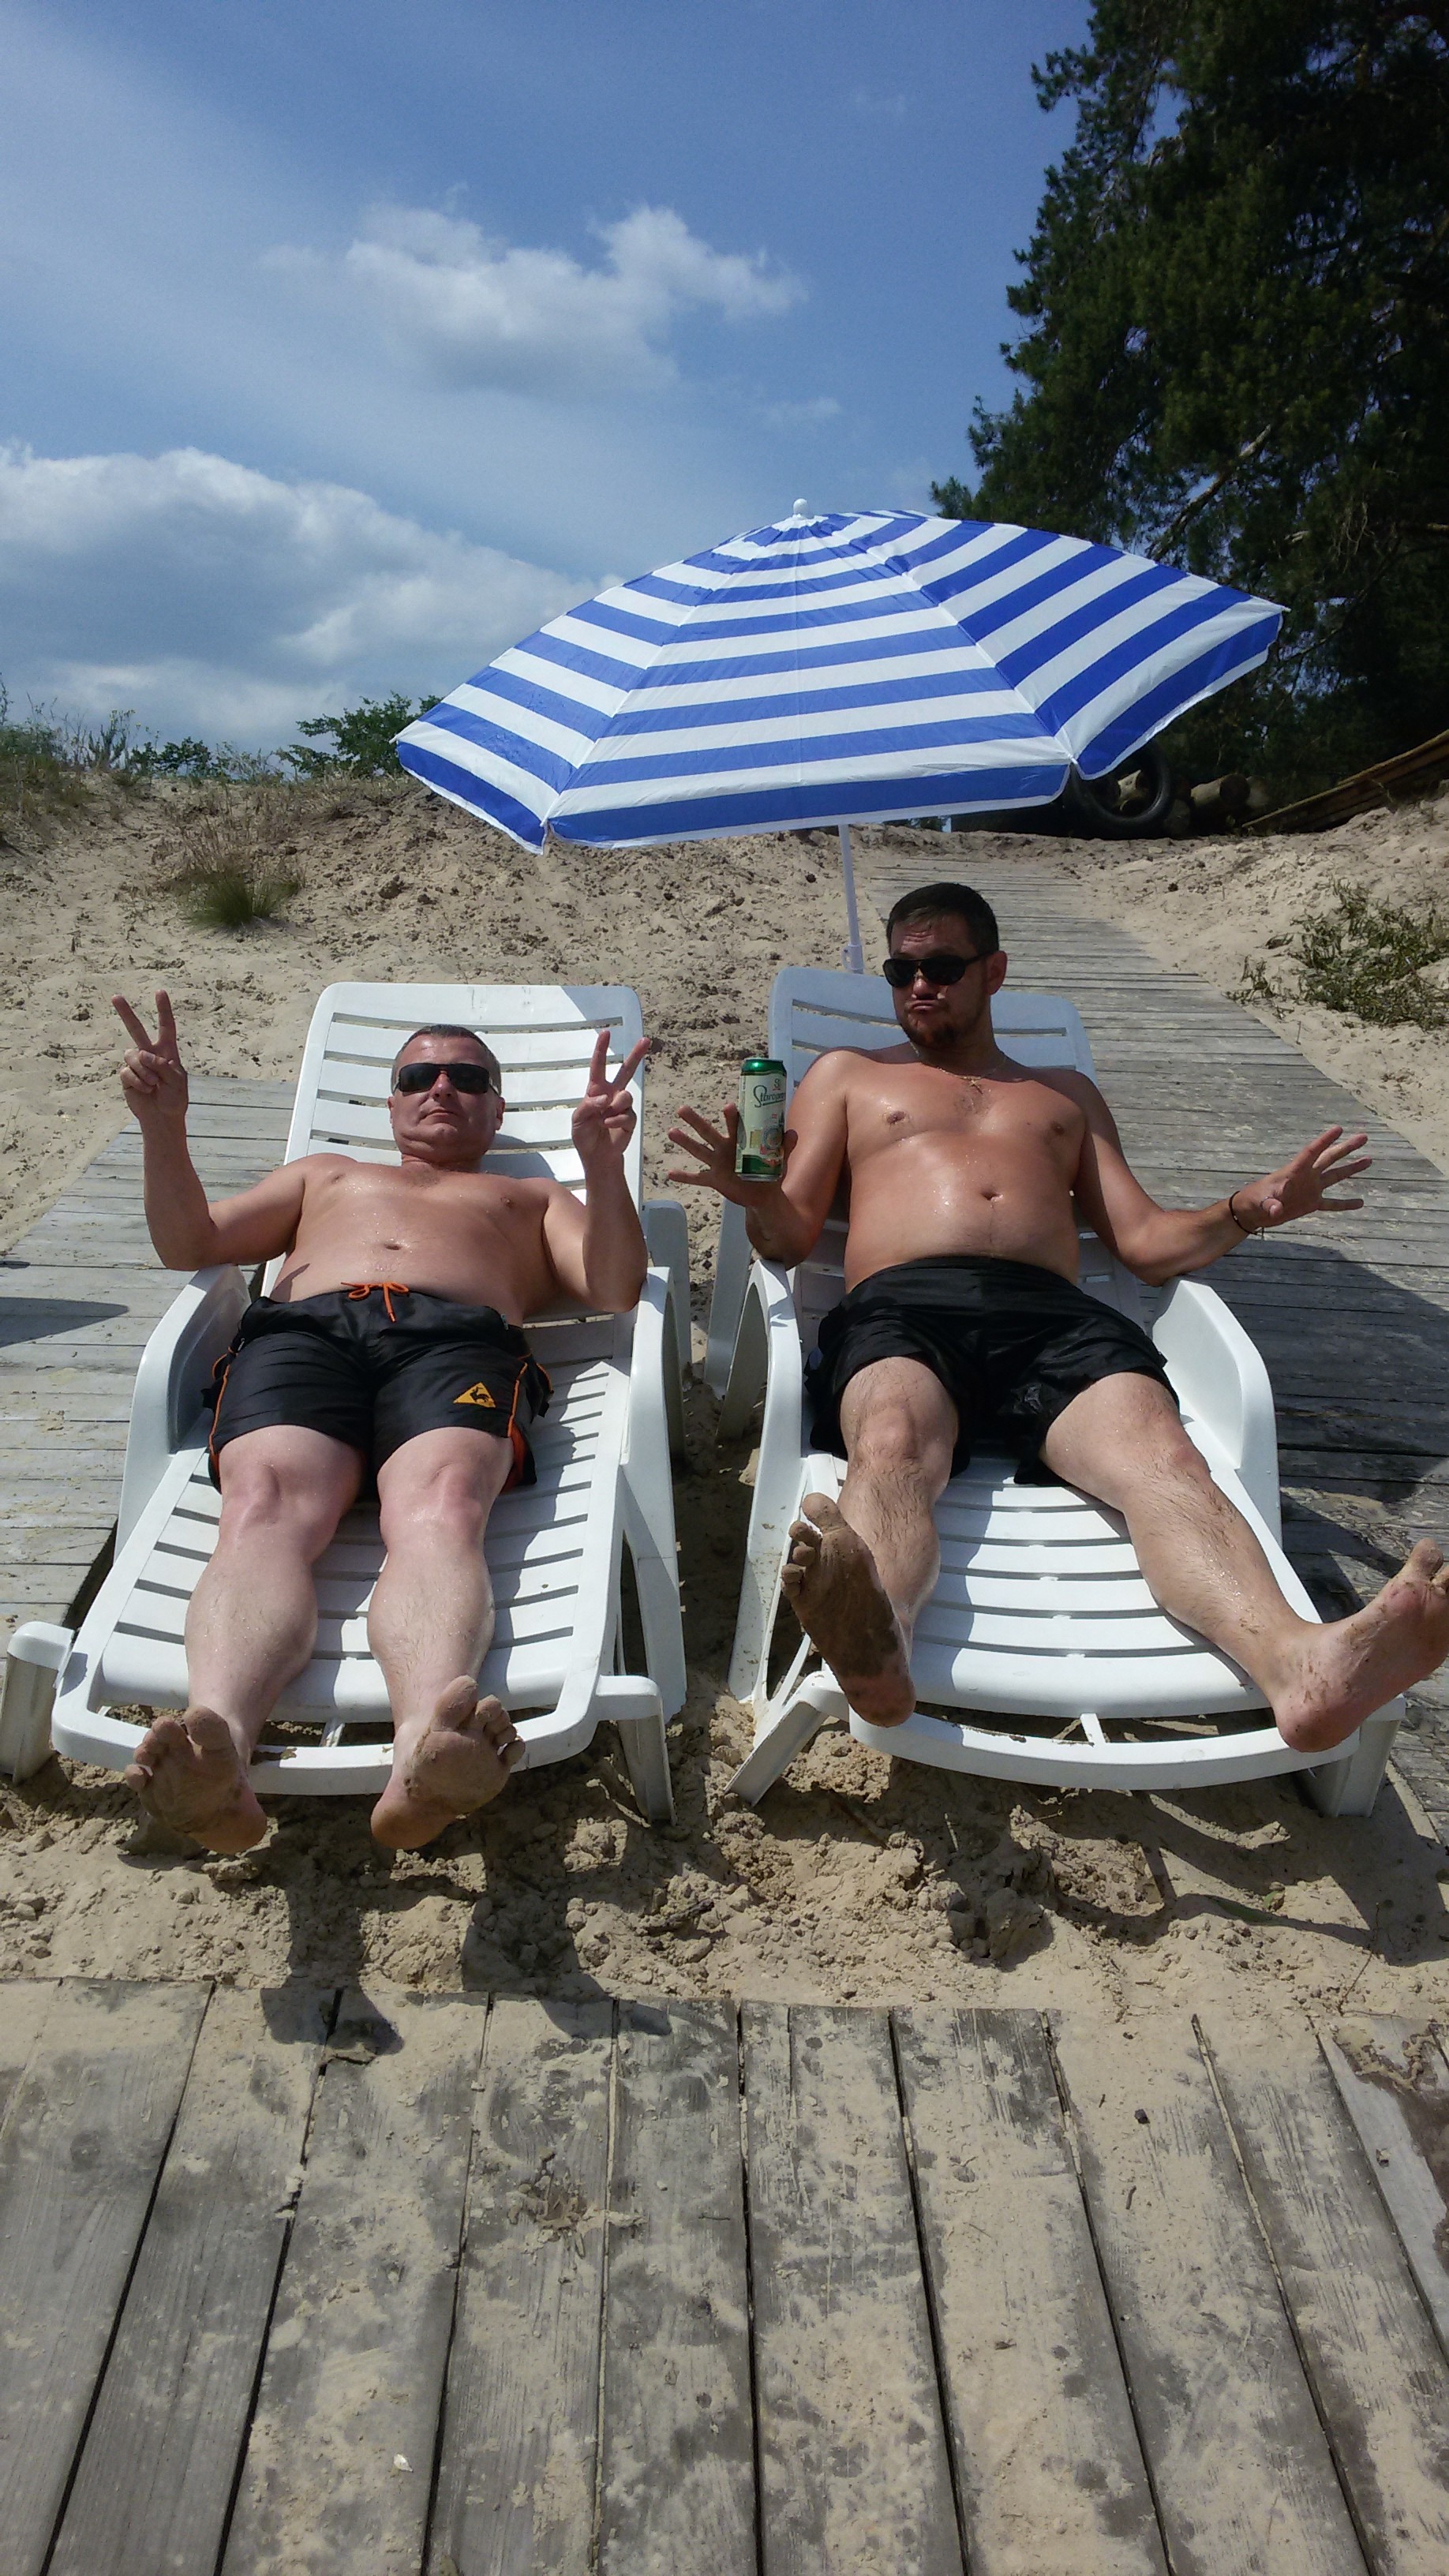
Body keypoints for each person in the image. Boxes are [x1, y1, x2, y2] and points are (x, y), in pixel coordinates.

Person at [668, 879, 1449, 1747]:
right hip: (904, 1306)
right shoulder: (847, 1076)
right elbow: (788, 1239)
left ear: (994, 971)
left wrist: (1246, 1209)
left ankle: (1296, 1667)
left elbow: (1143, 1242)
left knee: (1165, 1460)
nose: (919, 986)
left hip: (1055, 1318)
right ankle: (880, 1644)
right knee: (891, 1443)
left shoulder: (1064, 1094)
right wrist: (755, 1196)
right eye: (900, 970)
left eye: (942, 968)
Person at [111, 991, 649, 1854]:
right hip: (304, 1336)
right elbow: (191, 1243)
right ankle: (219, 1749)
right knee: (262, 1508)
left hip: (454, 1342)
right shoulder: (323, 1175)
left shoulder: (531, 1197)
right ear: (391, 1104)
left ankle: (426, 1755)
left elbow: (616, 1287)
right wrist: (163, 1127)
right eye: (418, 1076)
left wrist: (604, 1164)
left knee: (443, 1506)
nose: (442, 1087)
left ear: (497, 1109)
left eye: (467, 1077)